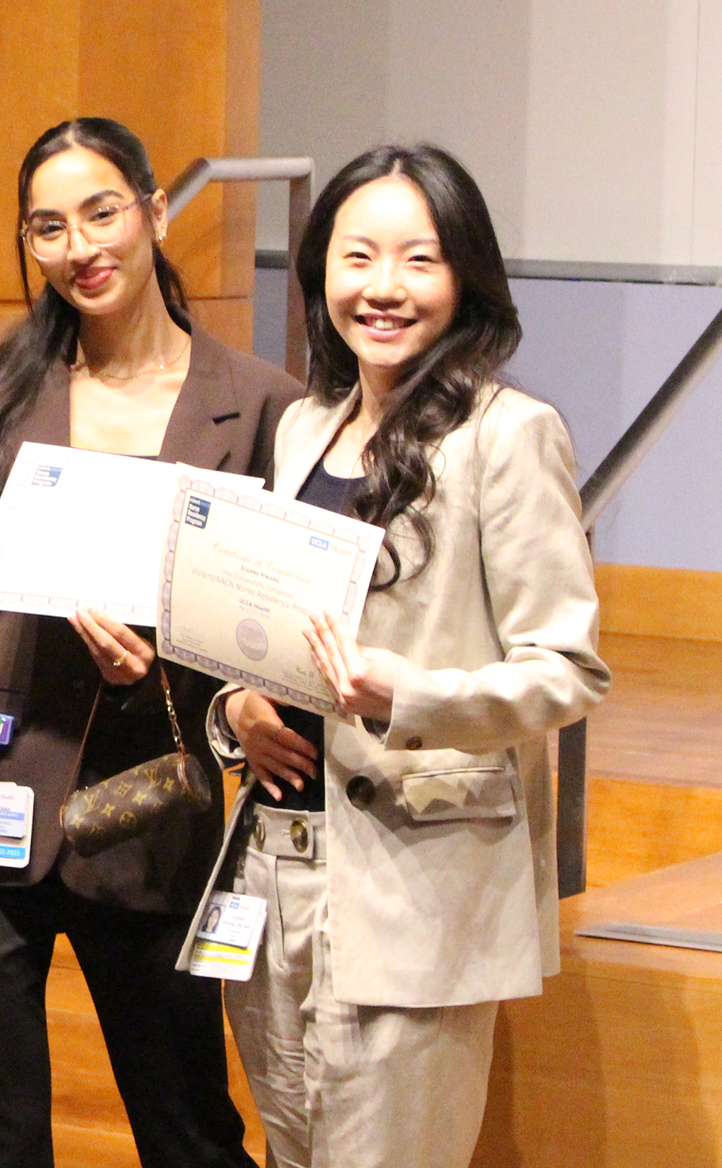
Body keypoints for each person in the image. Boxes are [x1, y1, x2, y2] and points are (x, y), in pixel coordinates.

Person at [0, 117, 300, 1168]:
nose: (77, 245)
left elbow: (268, 630)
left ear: (154, 209)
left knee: (188, 1134)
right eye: (45, 226)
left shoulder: (260, 404)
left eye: (99, 211)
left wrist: (162, 671)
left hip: (152, 803)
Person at [201, 144, 610, 1168]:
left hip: (411, 886)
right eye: (356, 257)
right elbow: (255, 628)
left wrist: (401, 695)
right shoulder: (300, 426)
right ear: (318, 273)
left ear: (462, 276)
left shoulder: (507, 436)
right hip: (274, 869)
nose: (380, 287)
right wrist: (234, 711)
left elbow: (565, 668)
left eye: (416, 260)